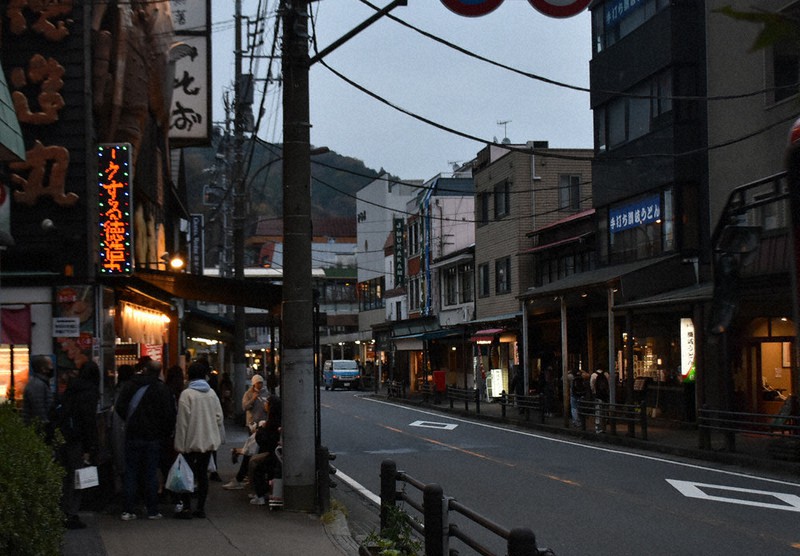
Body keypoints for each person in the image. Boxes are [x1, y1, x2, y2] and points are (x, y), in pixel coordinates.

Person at [115, 359, 176, 521]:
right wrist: (165, 433)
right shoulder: (163, 389)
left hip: (133, 434)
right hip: (154, 437)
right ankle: (152, 509)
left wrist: (129, 420)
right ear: (159, 372)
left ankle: (128, 509)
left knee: (131, 472)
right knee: (151, 473)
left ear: (144, 369)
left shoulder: (130, 385)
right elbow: (169, 415)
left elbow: (120, 407)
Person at [173, 361, 224, 519]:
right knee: (202, 475)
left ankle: (187, 507)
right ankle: (200, 508)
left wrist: (179, 445)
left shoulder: (187, 394)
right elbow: (219, 417)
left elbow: (182, 422)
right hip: (207, 442)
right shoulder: (211, 394)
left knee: (187, 475)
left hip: (190, 442)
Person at [57, 361, 100, 530]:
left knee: (66, 476)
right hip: (79, 441)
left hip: (65, 437)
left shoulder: (71, 388)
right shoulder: (90, 392)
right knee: (78, 477)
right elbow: (88, 421)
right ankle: (72, 513)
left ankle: (64, 510)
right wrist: (91, 447)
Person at [249, 395, 282, 506]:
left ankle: (260, 495)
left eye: (267, 403)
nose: (265, 404)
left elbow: (264, 440)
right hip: (275, 453)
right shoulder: (279, 418)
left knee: (256, 467)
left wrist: (259, 430)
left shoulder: (272, 421)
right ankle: (263, 492)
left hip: (272, 454)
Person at [22, 354, 54, 432]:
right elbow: (39, 408)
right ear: (43, 369)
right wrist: (46, 426)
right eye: (51, 365)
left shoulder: (40, 383)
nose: (52, 368)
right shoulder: (37, 385)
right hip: (37, 429)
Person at [590, 368, 610, 433]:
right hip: (605, 396)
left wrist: (593, 392)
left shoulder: (594, 375)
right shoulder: (606, 374)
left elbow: (592, 385)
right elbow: (609, 385)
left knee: (598, 411)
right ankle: (604, 427)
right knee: (604, 411)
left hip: (598, 395)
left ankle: (598, 427)